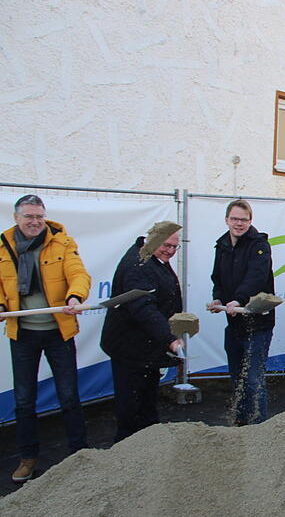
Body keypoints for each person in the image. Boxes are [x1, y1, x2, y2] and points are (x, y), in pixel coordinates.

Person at [0, 195, 90, 483]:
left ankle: (80, 453)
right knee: (24, 400)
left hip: (58, 332)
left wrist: (75, 295)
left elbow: (78, 274)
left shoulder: (62, 242)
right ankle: (28, 458)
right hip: (23, 334)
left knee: (69, 395)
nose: (35, 221)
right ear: (16, 217)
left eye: (39, 216)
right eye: (28, 216)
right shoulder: (3, 246)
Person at [101, 222, 185, 443]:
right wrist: (170, 339)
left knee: (147, 404)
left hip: (148, 348)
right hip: (131, 349)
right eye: (166, 245)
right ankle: (126, 454)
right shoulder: (137, 265)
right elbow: (143, 307)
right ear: (152, 239)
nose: (170, 251)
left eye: (175, 247)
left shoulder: (153, 257)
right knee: (131, 407)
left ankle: (149, 447)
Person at [207, 200, 275, 426]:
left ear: (250, 221)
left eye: (243, 220)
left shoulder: (259, 245)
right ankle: (240, 424)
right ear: (227, 220)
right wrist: (218, 297)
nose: (239, 224)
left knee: (254, 380)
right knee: (237, 378)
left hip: (257, 324)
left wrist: (238, 299)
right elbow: (217, 277)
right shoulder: (222, 245)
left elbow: (256, 277)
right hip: (234, 323)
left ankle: (259, 429)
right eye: (234, 219)